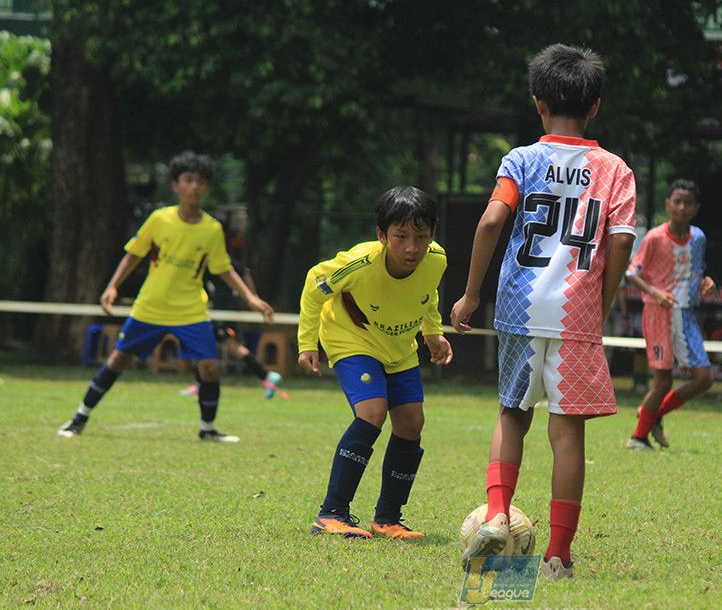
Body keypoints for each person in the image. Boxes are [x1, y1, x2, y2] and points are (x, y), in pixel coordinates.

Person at [451, 43, 637, 580]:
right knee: (567, 432)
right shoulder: (615, 170)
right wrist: (599, 304)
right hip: (576, 312)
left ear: (537, 103)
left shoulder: (522, 160)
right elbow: (620, 243)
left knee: (512, 414)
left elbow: (490, 223)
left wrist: (469, 293)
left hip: (518, 303)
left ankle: (496, 515)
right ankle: (558, 554)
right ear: (595, 105)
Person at [57, 151, 274, 442]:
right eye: (188, 180)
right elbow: (133, 255)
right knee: (118, 360)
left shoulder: (212, 229)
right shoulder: (159, 219)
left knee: (209, 366)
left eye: (200, 181)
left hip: (190, 310)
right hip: (150, 307)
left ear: (207, 187)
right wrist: (112, 286)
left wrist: (251, 298)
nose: (194, 186)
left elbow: (223, 268)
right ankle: (79, 417)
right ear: (176, 185)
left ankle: (207, 430)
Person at [299, 186, 452, 540]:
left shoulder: (436, 259)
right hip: (350, 337)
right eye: (401, 237)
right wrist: (308, 343)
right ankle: (332, 513)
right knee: (372, 412)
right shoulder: (358, 264)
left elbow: (427, 295)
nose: (412, 247)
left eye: (422, 236)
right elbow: (313, 285)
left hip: (399, 346)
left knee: (412, 423)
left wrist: (433, 332)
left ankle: (388, 519)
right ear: (382, 235)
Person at [625, 180, 715, 451]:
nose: (682, 207)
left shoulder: (698, 238)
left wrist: (705, 282)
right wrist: (656, 293)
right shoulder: (654, 237)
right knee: (663, 380)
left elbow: (696, 270)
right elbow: (632, 273)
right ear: (668, 205)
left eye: (688, 203)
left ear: (696, 208)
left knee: (704, 378)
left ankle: (653, 414)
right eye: (677, 201)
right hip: (659, 313)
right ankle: (637, 438)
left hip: (685, 314)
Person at [179, 257, 284, 399]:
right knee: (205, 343)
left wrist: (253, 298)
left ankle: (266, 375)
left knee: (230, 344)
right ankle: (200, 382)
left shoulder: (219, 258)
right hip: (217, 309)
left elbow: (244, 272)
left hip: (224, 309)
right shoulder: (206, 260)